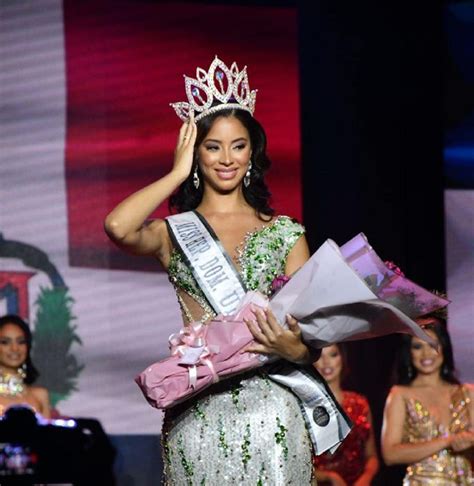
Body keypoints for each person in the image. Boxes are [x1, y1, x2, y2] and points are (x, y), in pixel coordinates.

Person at [105, 56, 318, 484]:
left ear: (252, 151)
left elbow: (313, 331)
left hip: (274, 412)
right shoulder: (173, 233)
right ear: (196, 152)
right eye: (212, 146)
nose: (226, 158)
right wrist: (175, 173)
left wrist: (299, 351)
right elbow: (117, 226)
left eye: (238, 145)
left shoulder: (285, 233)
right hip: (197, 410)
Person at [381, 310, 474, 485]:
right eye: (418, 346)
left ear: (444, 347)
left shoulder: (467, 392)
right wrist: (447, 441)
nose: (426, 354)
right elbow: (390, 454)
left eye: (432, 344)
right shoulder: (400, 394)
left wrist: (467, 442)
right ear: (409, 352)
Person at [313, 344, 379, 485]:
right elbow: (296, 462)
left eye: (333, 355)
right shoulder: (305, 408)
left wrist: (365, 478)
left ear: (342, 358)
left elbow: (372, 456)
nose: (326, 362)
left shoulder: (360, 403)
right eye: (320, 356)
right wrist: (328, 477)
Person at [0, 314, 51, 418]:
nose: (15, 348)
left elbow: (48, 434)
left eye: (21, 342)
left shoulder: (40, 395)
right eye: (5, 342)